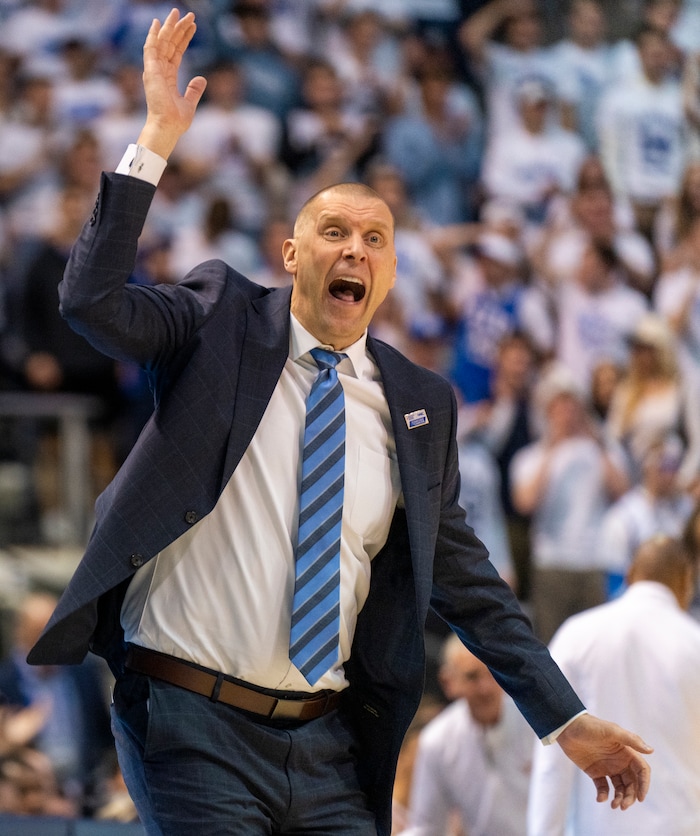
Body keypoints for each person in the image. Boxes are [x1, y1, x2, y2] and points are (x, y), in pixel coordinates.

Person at [27, 11, 653, 836]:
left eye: (374, 239)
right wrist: (154, 138)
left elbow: (471, 586)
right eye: (333, 232)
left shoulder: (421, 403)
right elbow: (91, 303)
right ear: (292, 255)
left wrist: (566, 720)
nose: (353, 250)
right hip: (188, 722)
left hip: (328, 744)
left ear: (391, 271)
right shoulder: (220, 319)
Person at [527, 534, 700, 836]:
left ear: (630, 574)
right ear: (688, 583)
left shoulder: (577, 634)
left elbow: (553, 756)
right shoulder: (695, 643)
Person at [406, 635, 534, 836]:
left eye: (492, 673)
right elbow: (428, 827)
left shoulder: (534, 721)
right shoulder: (436, 741)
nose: (486, 688)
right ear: (448, 682)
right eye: (472, 677)